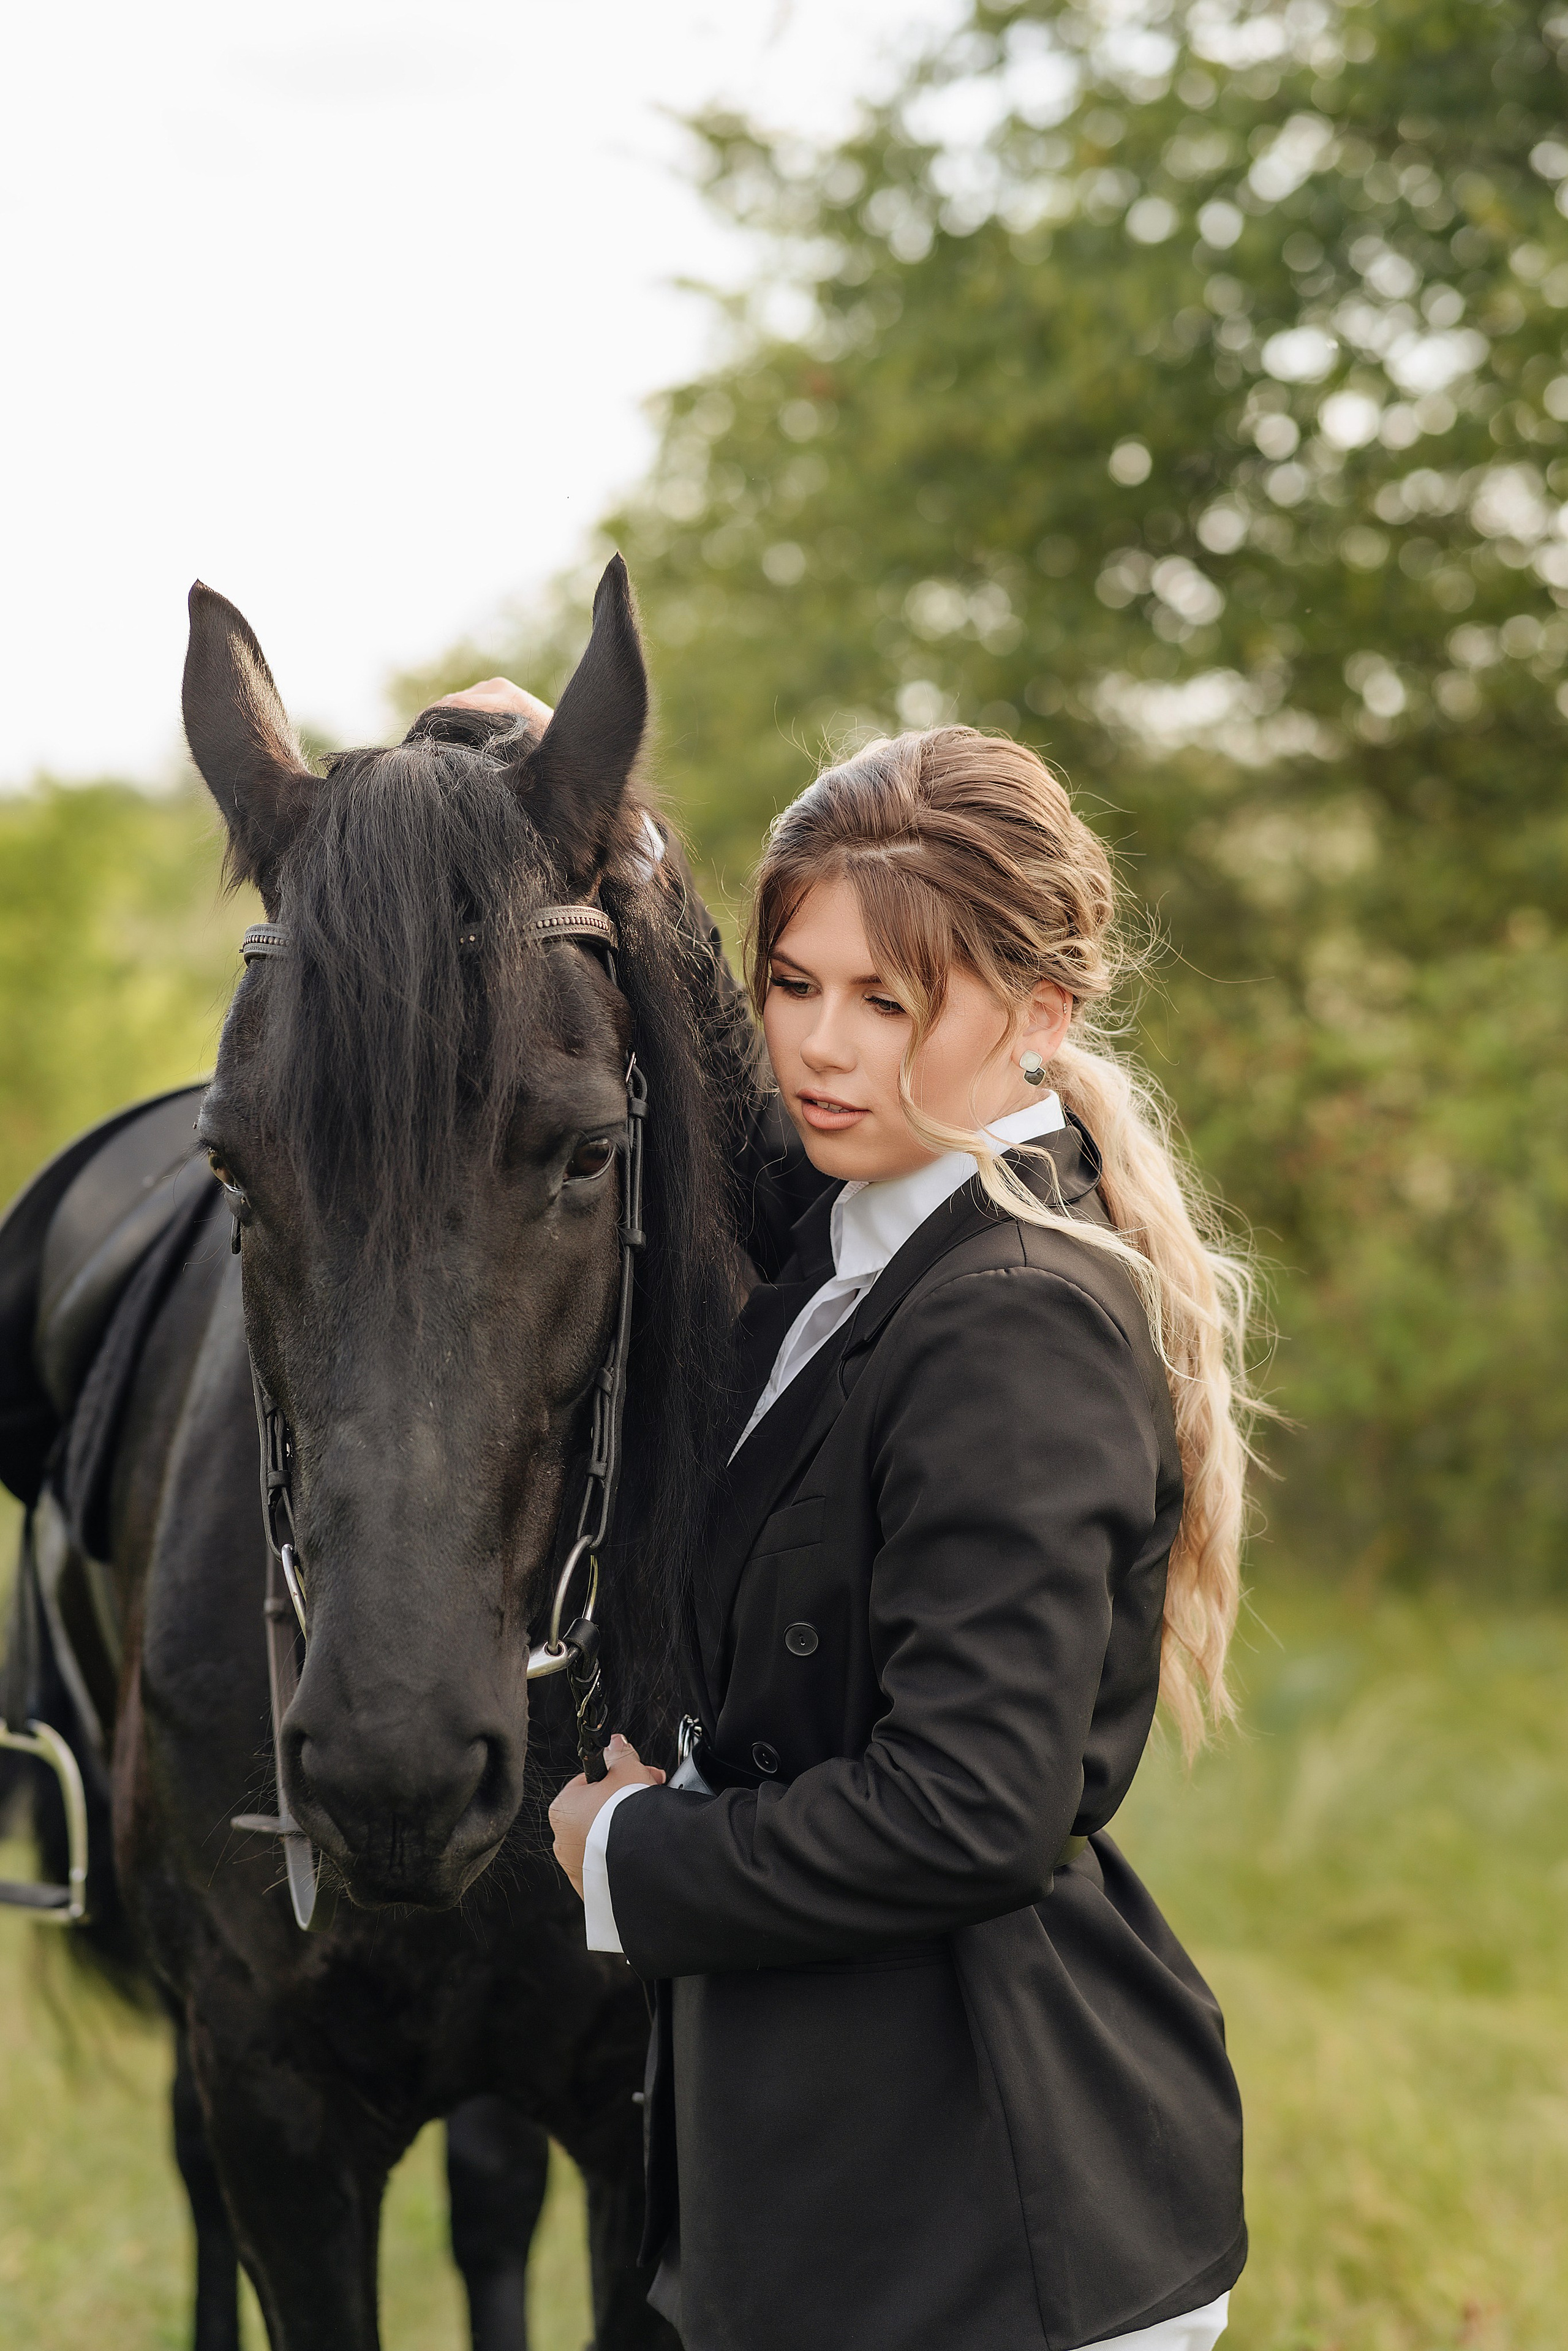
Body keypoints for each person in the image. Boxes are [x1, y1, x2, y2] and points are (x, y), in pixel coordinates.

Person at [460, 685, 1251, 2349]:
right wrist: (613, 841)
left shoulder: (1011, 1314)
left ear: (1041, 1014)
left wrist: (635, 1852)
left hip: (982, 2226)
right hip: (841, 2201)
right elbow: (684, 1111)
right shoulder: (860, 1221)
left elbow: (972, 1807)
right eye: (796, 984)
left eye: (891, 1002)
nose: (825, 1047)